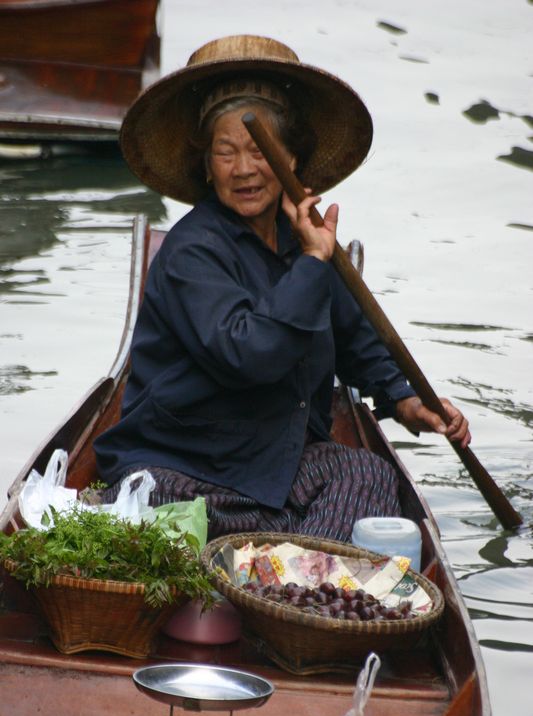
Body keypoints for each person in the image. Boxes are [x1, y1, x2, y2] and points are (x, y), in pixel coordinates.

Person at [94, 35, 470, 542]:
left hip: (278, 463)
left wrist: (406, 401)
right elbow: (249, 355)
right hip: (186, 462)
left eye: (259, 151)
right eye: (225, 153)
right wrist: (313, 262)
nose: (243, 169)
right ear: (207, 166)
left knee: (369, 475)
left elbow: (359, 345)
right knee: (157, 498)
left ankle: (279, 559)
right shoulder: (192, 251)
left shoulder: (306, 243)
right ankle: (290, 555)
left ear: (291, 159)